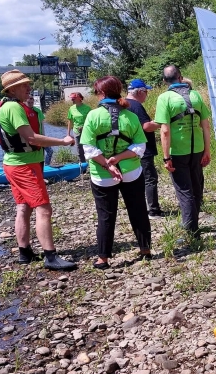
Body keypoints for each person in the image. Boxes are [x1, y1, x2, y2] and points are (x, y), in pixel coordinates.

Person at [0, 69, 76, 270]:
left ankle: (25, 253)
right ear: (12, 89)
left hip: (16, 163)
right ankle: (50, 256)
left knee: (23, 207)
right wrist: (63, 141)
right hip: (24, 165)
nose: (29, 88)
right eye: (24, 85)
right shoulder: (14, 108)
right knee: (44, 208)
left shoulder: (9, 106)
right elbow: (31, 138)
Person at [80, 76, 151, 269]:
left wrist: (108, 164)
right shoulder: (131, 116)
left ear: (102, 93)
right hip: (131, 171)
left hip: (103, 175)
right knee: (137, 210)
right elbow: (140, 146)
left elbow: (89, 148)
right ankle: (145, 249)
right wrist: (118, 159)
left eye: (96, 92)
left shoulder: (93, 116)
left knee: (105, 215)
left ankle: (103, 258)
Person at [155, 65, 212, 237]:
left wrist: (166, 157)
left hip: (178, 151)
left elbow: (164, 130)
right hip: (197, 149)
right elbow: (206, 125)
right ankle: (193, 223)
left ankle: (190, 231)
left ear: (165, 81)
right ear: (180, 77)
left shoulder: (164, 98)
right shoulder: (195, 95)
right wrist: (207, 150)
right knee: (196, 186)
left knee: (184, 190)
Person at [125, 78, 163, 217]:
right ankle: (153, 210)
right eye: (146, 92)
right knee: (150, 178)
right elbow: (146, 126)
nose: (147, 95)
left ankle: (136, 209)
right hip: (143, 149)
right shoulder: (136, 106)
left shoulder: (123, 104)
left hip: (128, 148)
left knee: (134, 179)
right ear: (140, 92)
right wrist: (161, 122)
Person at [67, 92, 90, 163]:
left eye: (74, 98)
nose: (72, 100)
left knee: (88, 148)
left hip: (86, 131)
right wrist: (68, 134)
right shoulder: (71, 108)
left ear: (80, 98)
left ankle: (90, 164)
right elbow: (70, 121)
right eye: (71, 99)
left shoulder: (87, 108)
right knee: (79, 150)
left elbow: (91, 121)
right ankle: (82, 167)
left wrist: (85, 127)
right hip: (76, 131)